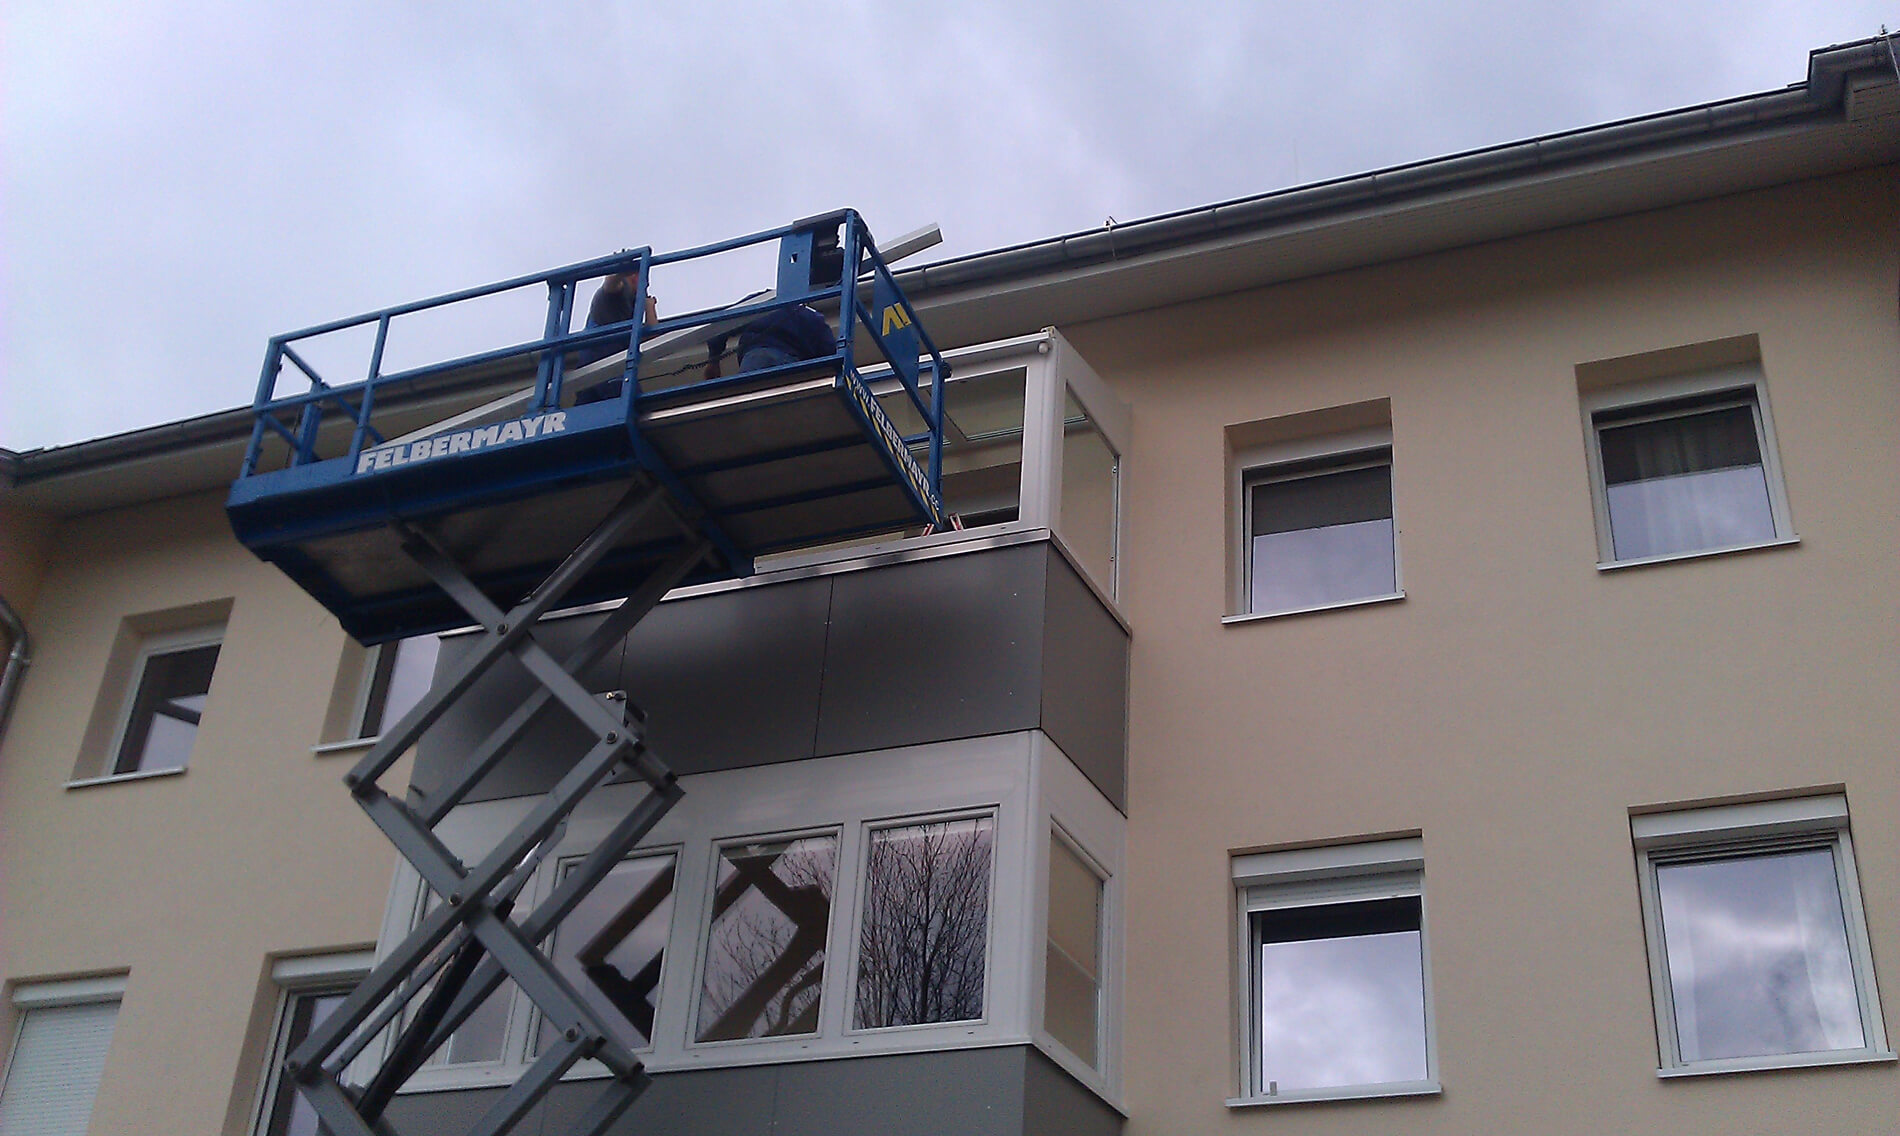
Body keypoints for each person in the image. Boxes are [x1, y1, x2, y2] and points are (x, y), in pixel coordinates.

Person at [571, 268, 656, 404]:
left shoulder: (633, 306)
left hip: (595, 363)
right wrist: (620, 269)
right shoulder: (620, 292)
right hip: (603, 359)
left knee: (587, 413)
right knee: (634, 406)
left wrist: (649, 306)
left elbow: (652, 336)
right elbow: (611, 284)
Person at [703, 302, 834, 381]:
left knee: (748, 404)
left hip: (754, 358)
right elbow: (830, 353)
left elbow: (722, 324)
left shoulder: (762, 301)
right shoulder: (811, 315)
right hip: (790, 363)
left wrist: (713, 361)